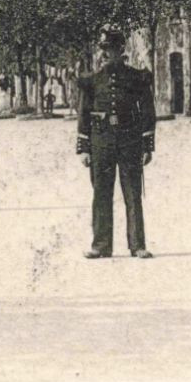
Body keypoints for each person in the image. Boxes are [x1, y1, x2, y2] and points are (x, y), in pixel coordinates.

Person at [75, 26, 156, 259]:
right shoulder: (91, 81)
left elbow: (148, 113)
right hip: (101, 143)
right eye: (102, 49)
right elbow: (84, 114)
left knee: (132, 194)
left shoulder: (137, 78)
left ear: (121, 50)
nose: (103, 54)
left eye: (108, 49)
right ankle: (101, 245)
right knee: (101, 194)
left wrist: (147, 146)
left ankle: (137, 245)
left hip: (130, 142)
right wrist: (84, 148)